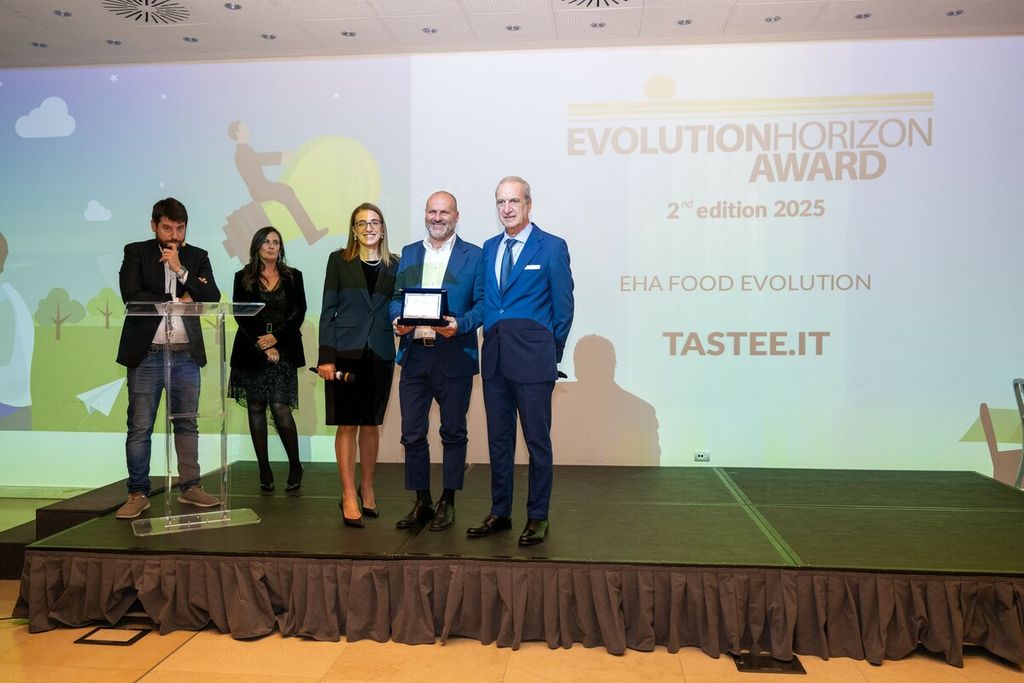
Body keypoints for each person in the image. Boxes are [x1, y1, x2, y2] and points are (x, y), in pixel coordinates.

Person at [467, 177, 574, 546]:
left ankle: (538, 516)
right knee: (499, 442)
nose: (507, 208)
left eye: (514, 201)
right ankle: (500, 512)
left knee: (536, 443)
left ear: (529, 204)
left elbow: (564, 308)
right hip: (495, 360)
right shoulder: (489, 247)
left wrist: (548, 353)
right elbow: (486, 301)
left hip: (533, 361)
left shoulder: (552, 247)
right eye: (501, 202)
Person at [115, 197, 222, 519]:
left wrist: (181, 270)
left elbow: (212, 296)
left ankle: (190, 487)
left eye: (179, 228)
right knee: (140, 426)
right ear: (154, 226)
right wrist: (177, 298)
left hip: (186, 354)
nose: (173, 235)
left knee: (187, 423)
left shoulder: (197, 257)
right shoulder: (136, 252)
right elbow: (132, 296)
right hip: (147, 355)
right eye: (167, 228)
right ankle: (138, 492)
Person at [390, 191, 484, 532]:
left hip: (454, 355)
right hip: (415, 355)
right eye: (432, 211)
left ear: (456, 216)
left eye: (445, 212)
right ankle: (422, 501)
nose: (438, 217)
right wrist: (396, 320)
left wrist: (460, 324)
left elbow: (483, 305)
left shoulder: (475, 255)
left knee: (454, 432)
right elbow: (396, 298)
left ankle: (449, 501)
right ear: (425, 214)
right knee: (412, 434)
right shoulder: (410, 252)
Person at [317, 203, 399, 528]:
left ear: (383, 228)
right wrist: (326, 356)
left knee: (371, 424)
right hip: (345, 353)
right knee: (348, 424)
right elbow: (328, 309)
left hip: (381, 352)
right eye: (362, 223)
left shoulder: (396, 264)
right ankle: (348, 493)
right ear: (353, 229)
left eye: (374, 222)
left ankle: (367, 487)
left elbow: (399, 306)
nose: (369, 228)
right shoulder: (338, 260)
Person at [229, 226, 307, 492]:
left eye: (276, 242)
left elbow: (299, 312)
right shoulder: (242, 277)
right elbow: (242, 315)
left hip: (284, 348)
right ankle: (264, 468)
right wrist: (263, 344)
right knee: (255, 406)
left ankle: (295, 465)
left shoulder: (293, 276)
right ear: (257, 246)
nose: (272, 246)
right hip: (251, 349)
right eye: (266, 242)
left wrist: (276, 340)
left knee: (280, 406)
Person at [228, 120, 328, 245]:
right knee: (287, 193)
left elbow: (257, 159)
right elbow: (258, 159)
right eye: (244, 128)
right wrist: (281, 157)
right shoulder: (242, 152)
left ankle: (311, 234)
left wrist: (281, 156)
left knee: (287, 191)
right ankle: (311, 234)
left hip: (263, 188)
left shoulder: (244, 150)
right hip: (262, 190)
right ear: (237, 133)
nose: (248, 131)